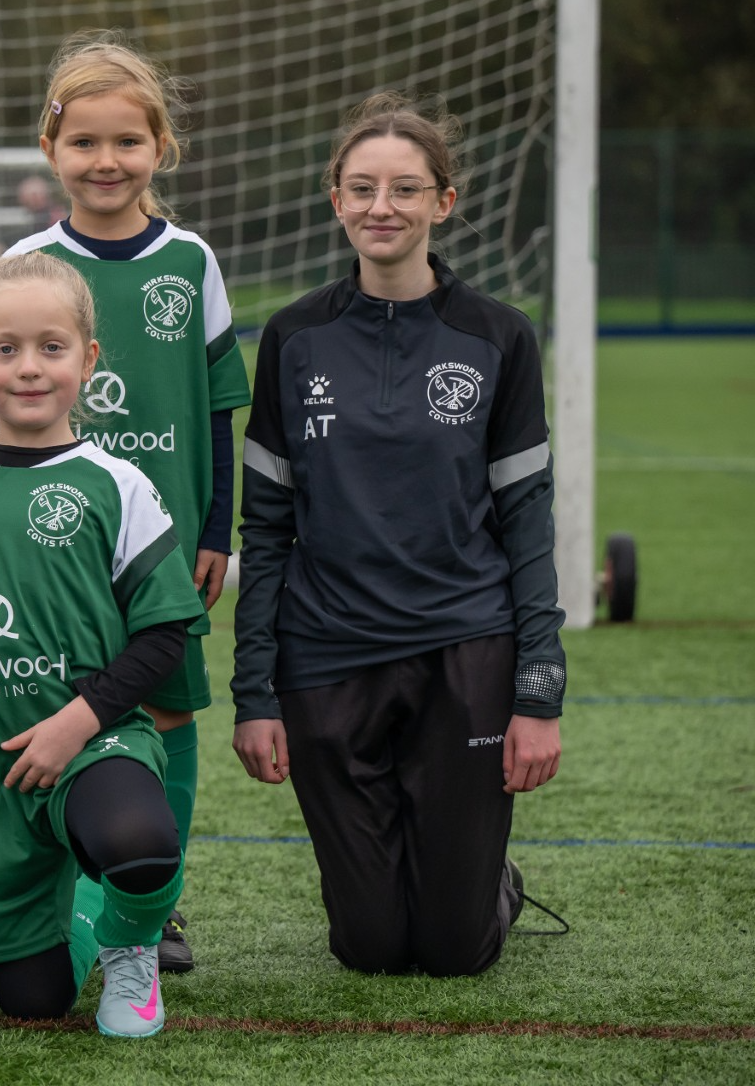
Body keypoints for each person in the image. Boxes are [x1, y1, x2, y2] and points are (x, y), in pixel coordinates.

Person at [231, 91, 566, 977]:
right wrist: (254, 693)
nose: (384, 207)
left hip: (464, 648)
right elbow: (264, 528)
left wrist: (539, 693)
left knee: (457, 951)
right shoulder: (294, 338)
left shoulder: (500, 337)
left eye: (407, 189)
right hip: (327, 655)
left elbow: (528, 522)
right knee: (371, 949)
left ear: (443, 203)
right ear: (334, 197)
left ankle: (490, 880)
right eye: (364, 188)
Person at [0, 253, 205, 1038]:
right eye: (5, 349)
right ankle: (81, 910)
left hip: (93, 744)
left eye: (51, 348)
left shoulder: (117, 483)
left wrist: (81, 721)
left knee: (137, 842)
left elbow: (166, 632)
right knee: (34, 1003)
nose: (29, 369)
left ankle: (131, 948)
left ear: (87, 359)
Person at [0, 33, 251, 972]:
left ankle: (156, 904)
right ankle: (67, 897)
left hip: (167, 544)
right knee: (61, 702)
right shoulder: (27, 260)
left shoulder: (189, 261)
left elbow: (221, 409)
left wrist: (216, 530)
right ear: (50, 149)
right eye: (84, 143)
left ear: (161, 148)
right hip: (52, 546)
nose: (106, 162)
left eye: (127, 142)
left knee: (170, 713)